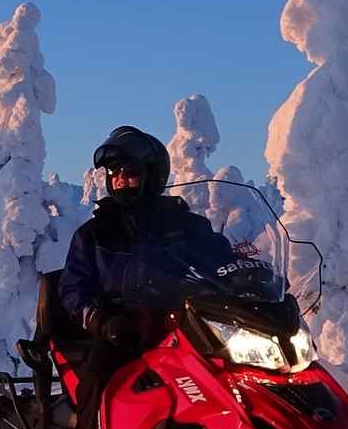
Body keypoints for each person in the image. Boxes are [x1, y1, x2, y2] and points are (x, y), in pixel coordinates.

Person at [57, 124, 237, 391]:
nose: (119, 179)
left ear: (152, 175)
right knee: (97, 384)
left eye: (129, 172)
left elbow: (223, 263)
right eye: (113, 172)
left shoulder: (185, 226)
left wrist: (255, 280)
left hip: (185, 330)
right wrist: (103, 320)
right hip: (122, 333)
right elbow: (73, 288)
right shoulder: (95, 233)